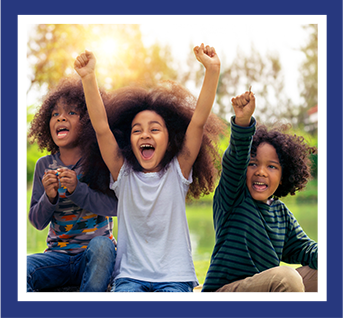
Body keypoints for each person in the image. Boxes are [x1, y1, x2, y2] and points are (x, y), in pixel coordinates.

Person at [74, 44, 225, 292]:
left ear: (171, 139)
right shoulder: (122, 174)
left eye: (155, 129)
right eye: (137, 131)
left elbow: (197, 123)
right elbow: (102, 127)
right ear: (128, 141)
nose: (146, 134)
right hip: (130, 278)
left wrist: (213, 70)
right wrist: (89, 77)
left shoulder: (178, 171)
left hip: (175, 277)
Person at [202, 90, 318, 292]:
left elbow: (306, 249)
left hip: (263, 290)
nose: (261, 172)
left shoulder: (281, 213)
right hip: (224, 293)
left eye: (272, 167)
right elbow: (236, 158)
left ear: (284, 176)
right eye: (253, 164)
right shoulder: (233, 196)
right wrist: (242, 122)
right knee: (287, 277)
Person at [27, 76, 118, 292]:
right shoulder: (44, 165)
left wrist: (78, 190)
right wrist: (49, 198)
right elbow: (37, 221)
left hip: (94, 255)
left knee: (103, 246)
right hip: (57, 258)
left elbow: (114, 207)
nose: (61, 118)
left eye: (71, 113)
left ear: (87, 121)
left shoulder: (98, 161)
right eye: (55, 114)